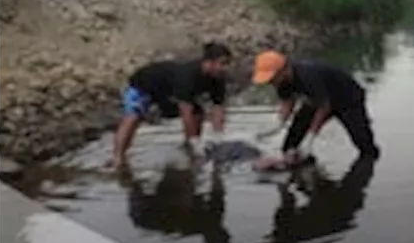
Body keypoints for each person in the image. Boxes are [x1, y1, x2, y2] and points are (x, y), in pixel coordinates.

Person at [110, 42, 233, 166]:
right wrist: (194, 141)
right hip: (144, 86)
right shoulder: (188, 76)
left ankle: (188, 148)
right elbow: (186, 112)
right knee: (133, 117)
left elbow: (218, 109)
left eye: (227, 64)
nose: (226, 68)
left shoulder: (218, 79)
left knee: (198, 112)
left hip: (167, 94)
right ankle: (117, 158)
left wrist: (218, 138)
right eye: (222, 64)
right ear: (208, 63)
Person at [252, 51, 381, 165]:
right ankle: (303, 164)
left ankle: (368, 169)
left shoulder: (308, 75)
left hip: (348, 100)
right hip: (315, 101)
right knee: (290, 144)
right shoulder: (281, 82)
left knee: (365, 147)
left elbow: (325, 107)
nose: (270, 83)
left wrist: (311, 137)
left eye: (272, 78)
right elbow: (287, 101)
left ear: (284, 70)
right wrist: (279, 125)